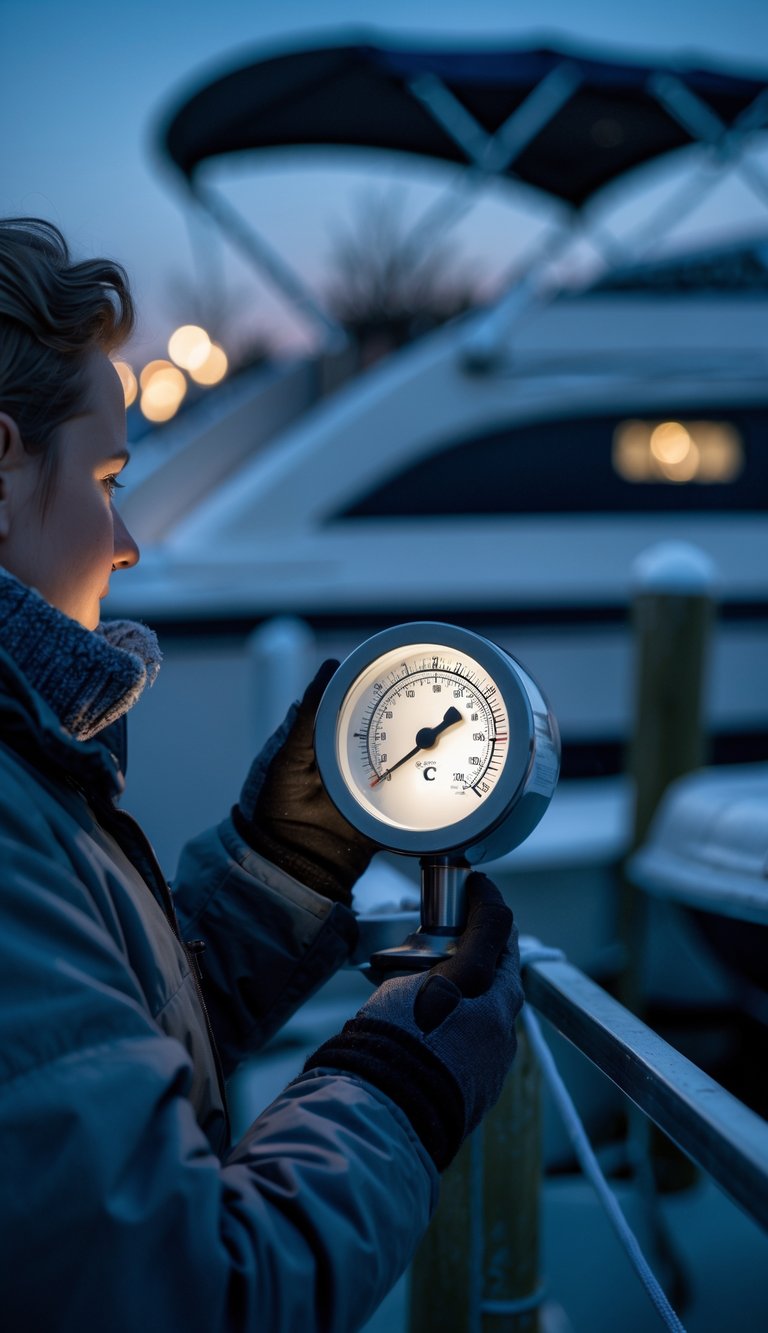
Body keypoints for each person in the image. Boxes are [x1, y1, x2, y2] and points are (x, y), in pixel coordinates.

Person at [0, 217, 523, 1333]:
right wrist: (402, 1082)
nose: (128, 538)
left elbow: (77, 1063)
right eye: (104, 474)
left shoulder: (26, 767)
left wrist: (281, 869)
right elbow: (185, 1291)